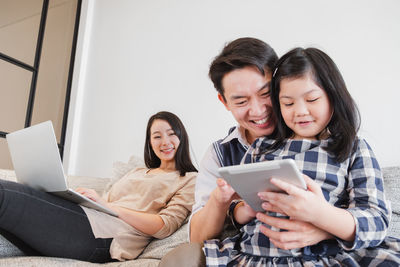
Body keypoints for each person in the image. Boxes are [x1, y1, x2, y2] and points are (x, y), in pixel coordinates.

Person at [203, 47, 400, 266]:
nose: (300, 111)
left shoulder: (353, 148)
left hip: (320, 256)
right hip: (257, 256)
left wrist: (321, 215)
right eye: (288, 103)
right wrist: (242, 210)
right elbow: (237, 210)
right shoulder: (262, 147)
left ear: (333, 97)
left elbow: (376, 221)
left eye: (312, 99)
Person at [0, 111, 197, 262]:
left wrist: (112, 208)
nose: (165, 142)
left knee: (3, 195)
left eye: (171, 134)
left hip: (108, 238)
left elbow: (164, 227)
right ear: (150, 142)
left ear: (182, 137)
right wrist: (86, 199)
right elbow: (104, 204)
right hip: (89, 219)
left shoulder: (189, 178)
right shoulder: (136, 172)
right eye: (157, 136)